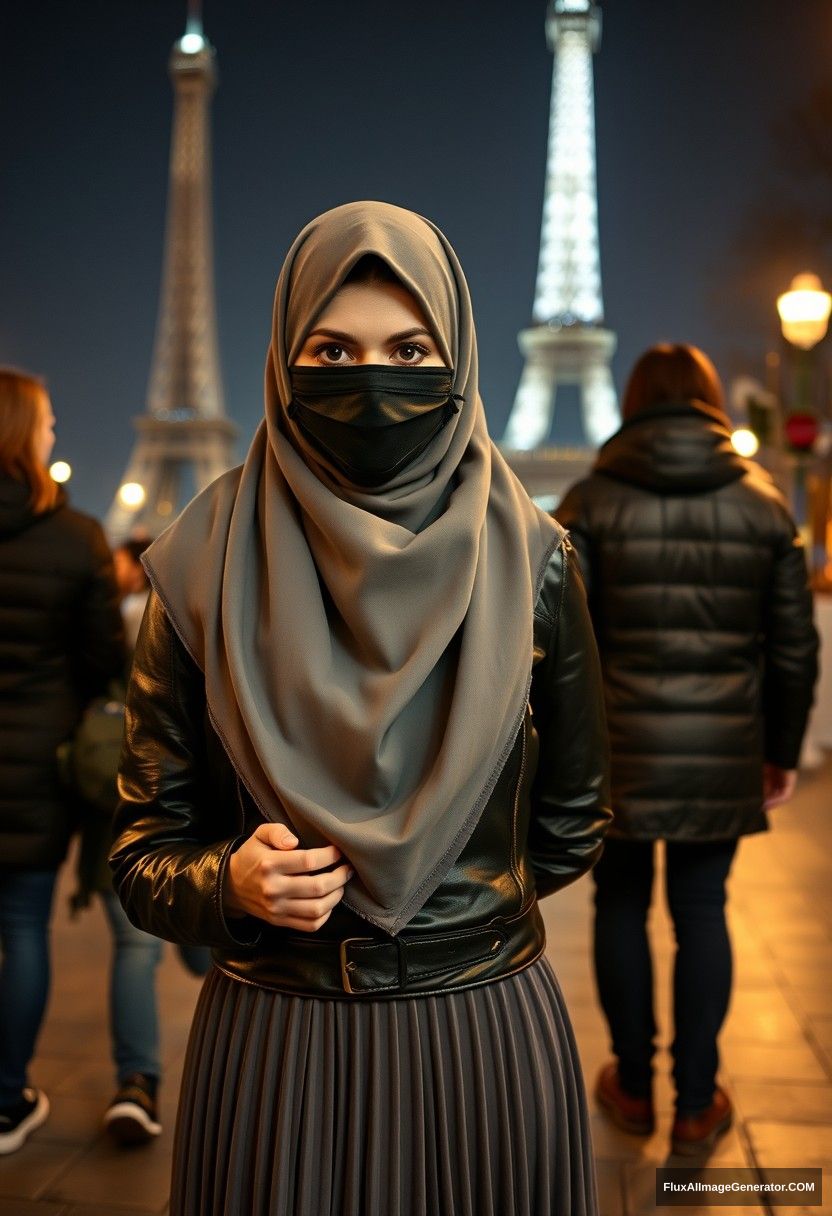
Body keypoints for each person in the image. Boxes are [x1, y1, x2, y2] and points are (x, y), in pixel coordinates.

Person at [111, 201, 611, 1216]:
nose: (371, 382)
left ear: (459, 356)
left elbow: (574, 818)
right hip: (279, 1043)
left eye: (410, 348)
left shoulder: (540, 560)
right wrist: (228, 882)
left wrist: (449, 917)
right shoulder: (197, 569)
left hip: (479, 1041)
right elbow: (140, 848)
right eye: (330, 349)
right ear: (283, 362)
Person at [557, 343, 818, 1156]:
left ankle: (632, 1086)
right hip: (722, 748)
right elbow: (794, 647)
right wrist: (780, 748)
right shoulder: (765, 504)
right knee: (702, 912)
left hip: (618, 751)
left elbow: (559, 642)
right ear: (712, 404)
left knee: (620, 905)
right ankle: (698, 1103)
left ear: (630, 402)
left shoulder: (590, 501)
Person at [0, 368, 125, 1154]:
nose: (52, 438)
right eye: (45, 426)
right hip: (32, 765)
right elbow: (104, 658)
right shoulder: (75, 537)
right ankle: (6, 1099)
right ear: (24, 436)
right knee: (23, 927)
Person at [70, 538, 210, 1146]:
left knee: (136, 948)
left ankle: (136, 1085)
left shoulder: (121, 620)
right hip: (204, 825)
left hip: (126, 814)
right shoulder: (212, 610)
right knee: (215, 943)